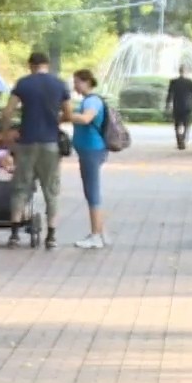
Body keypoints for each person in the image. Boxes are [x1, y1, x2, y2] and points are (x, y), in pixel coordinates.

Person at [0, 51, 71, 249]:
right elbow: (69, 113)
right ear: (47, 65)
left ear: (30, 65)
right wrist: (55, 120)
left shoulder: (23, 84)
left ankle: (14, 234)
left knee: (21, 186)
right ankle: (51, 236)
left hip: (27, 142)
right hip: (50, 143)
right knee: (51, 189)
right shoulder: (59, 84)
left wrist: (6, 134)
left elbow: (7, 112)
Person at [69, 68, 111, 249]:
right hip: (88, 150)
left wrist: (68, 115)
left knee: (92, 192)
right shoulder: (88, 100)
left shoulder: (92, 101)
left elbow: (86, 119)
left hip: (92, 150)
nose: (75, 85)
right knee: (91, 191)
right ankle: (100, 232)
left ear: (86, 82)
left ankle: (96, 235)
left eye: (77, 81)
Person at [165, 65, 192, 150]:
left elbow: (170, 94)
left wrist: (167, 105)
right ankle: (183, 139)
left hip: (177, 106)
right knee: (186, 125)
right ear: (185, 71)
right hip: (188, 106)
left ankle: (179, 141)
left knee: (177, 125)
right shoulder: (191, 82)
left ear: (179, 71)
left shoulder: (173, 82)